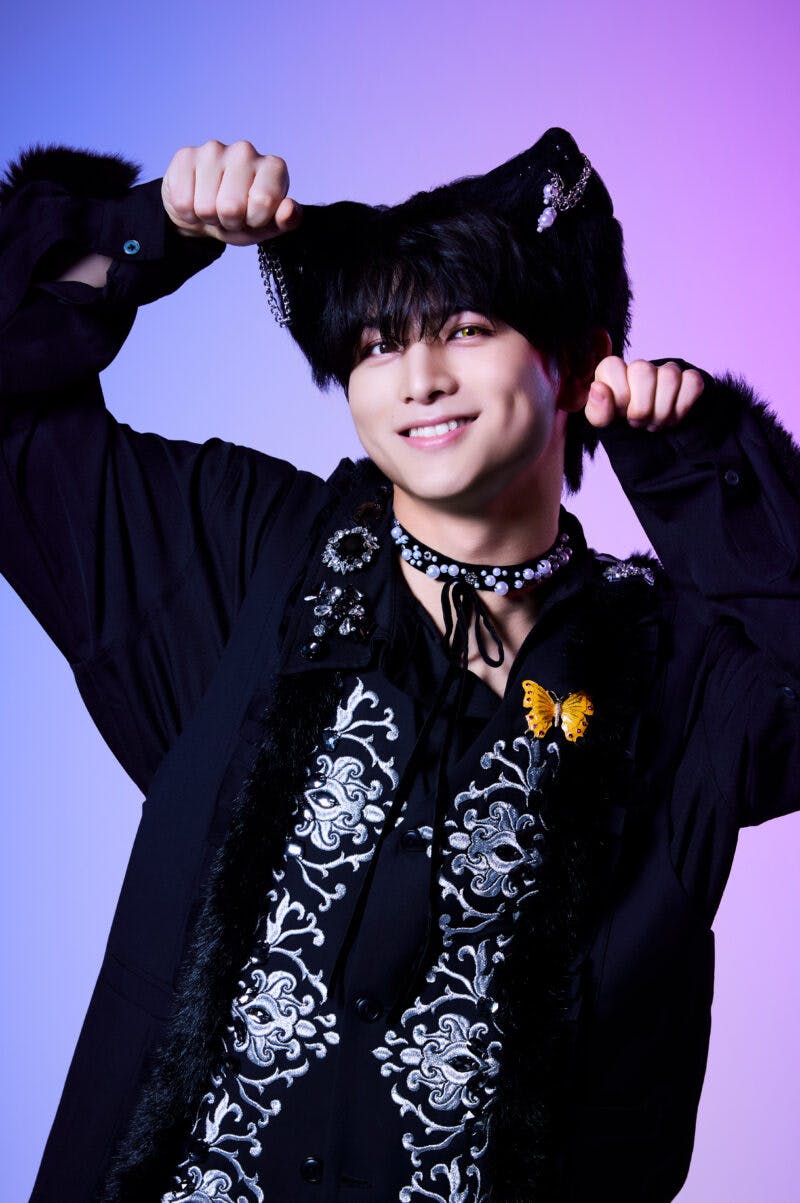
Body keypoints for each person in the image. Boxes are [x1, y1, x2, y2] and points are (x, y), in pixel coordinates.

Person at [1, 127, 798, 1203]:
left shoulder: (668, 667)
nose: (418, 378)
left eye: (465, 328)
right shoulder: (249, 554)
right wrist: (145, 232)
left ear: (575, 361)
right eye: (378, 342)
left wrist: (702, 467)